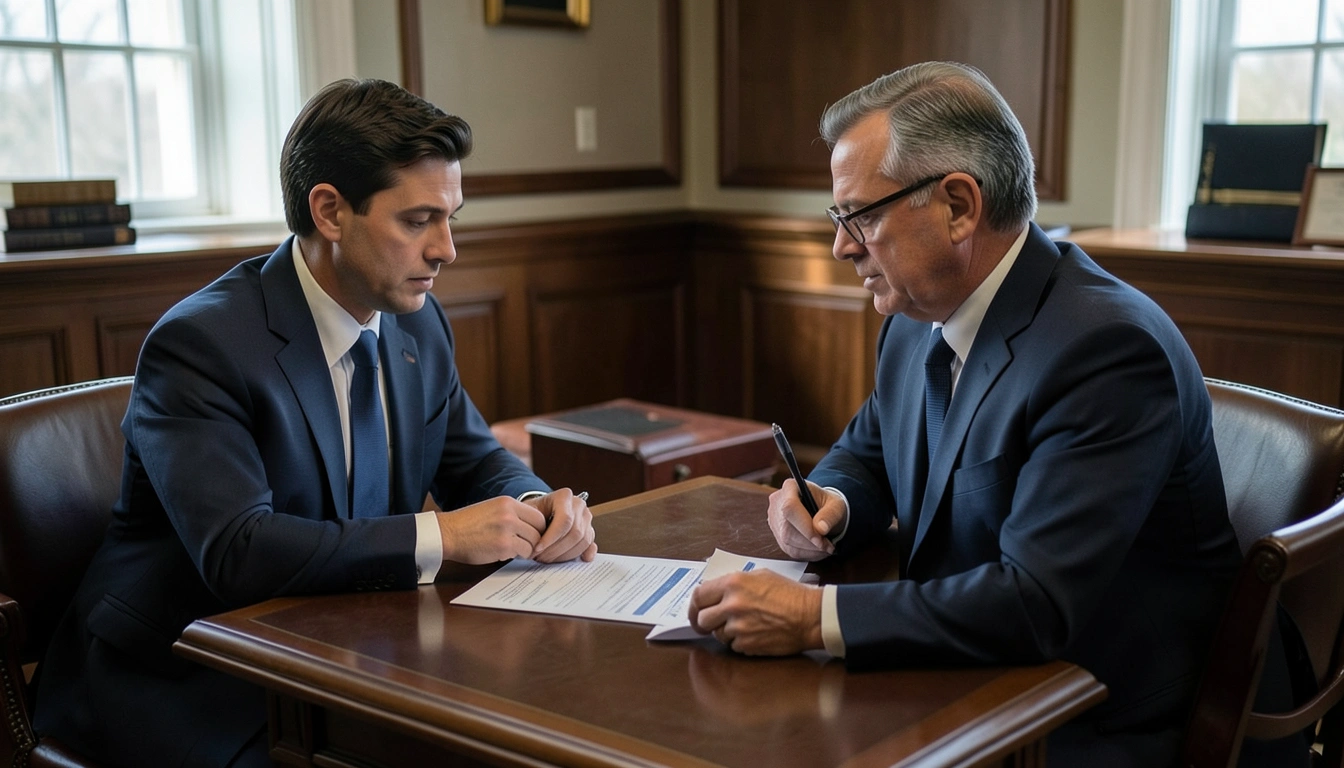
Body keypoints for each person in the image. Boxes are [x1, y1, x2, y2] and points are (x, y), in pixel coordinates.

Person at [688, 62, 1306, 766]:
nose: (842, 246)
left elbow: (1034, 603)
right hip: (976, 675)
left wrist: (812, 617)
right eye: (839, 218)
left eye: (860, 216)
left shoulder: (1105, 351)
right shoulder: (916, 316)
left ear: (958, 205)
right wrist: (829, 500)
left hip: (1103, 715)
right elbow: (869, 449)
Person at [34, 78, 597, 767]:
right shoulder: (201, 346)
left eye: (452, 217)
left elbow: (476, 460)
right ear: (329, 211)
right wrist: (442, 535)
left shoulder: (416, 325)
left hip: (346, 654)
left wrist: (537, 503)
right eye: (418, 221)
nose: (447, 249)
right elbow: (240, 552)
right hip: (187, 676)